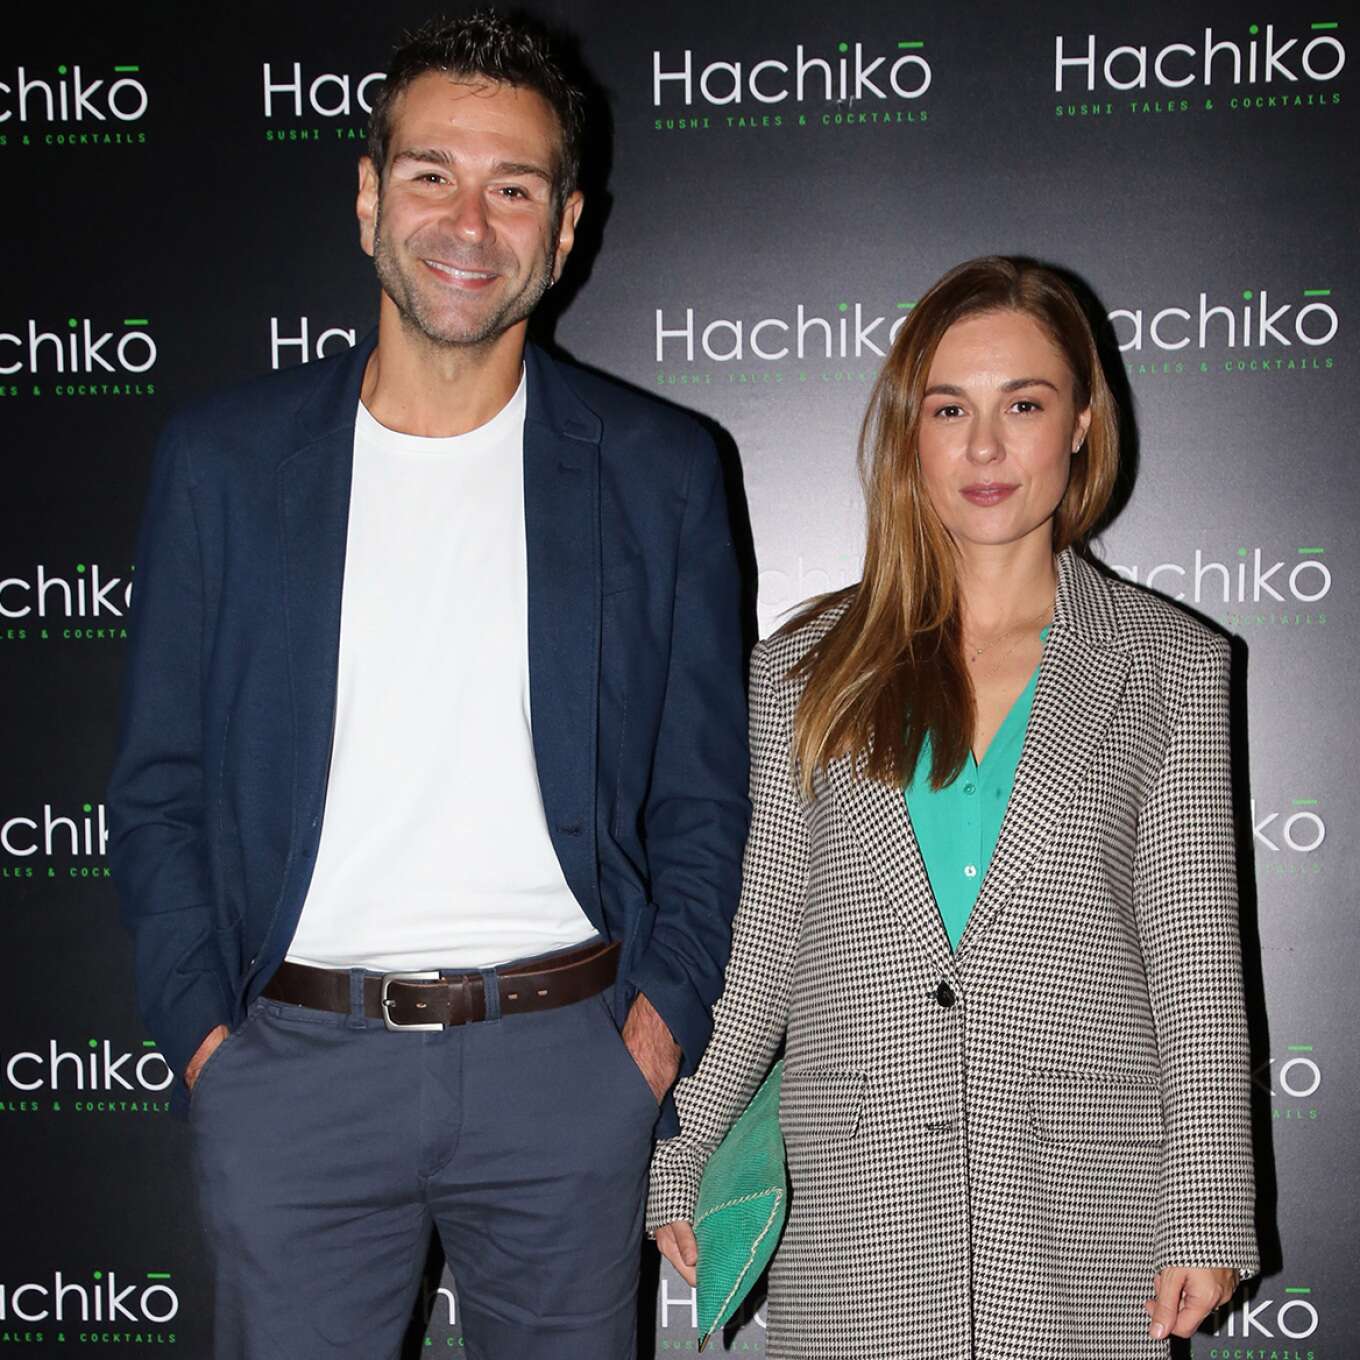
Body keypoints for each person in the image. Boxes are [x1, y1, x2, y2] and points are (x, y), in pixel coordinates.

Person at [107, 13, 749, 1358]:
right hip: (294, 1067)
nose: (468, 222)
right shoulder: (223, 465)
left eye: (514, 187)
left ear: (565, 228)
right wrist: (206, 1039)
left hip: (567, 1063)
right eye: (430, 174)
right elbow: (160, 785)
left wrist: (655, 1031)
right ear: (367, 197)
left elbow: (701, 793)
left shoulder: (659, 469)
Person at [649, 256, 1258, 1358]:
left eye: (1022, 405)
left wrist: (1207, 1208)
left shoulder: (1171, 665)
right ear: (909, 433)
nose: (983, 448)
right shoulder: (802, 672)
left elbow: (1195, 963)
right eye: (948, 410)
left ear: (1081, 424)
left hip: (1083, 1206)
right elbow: (767, 940)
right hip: (858, 1201)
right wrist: (680, 1147)